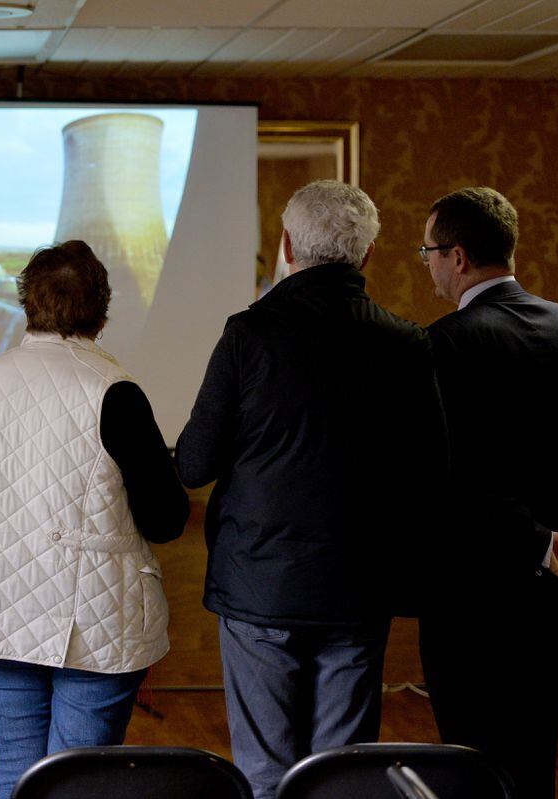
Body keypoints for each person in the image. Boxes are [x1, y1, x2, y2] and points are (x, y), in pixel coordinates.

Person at [175, 180, 449, 799]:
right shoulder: (407, 342)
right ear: (369, 253)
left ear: (287, 245)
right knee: (340, 775)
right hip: (358, 588)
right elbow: (432, 473)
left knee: (266, 772)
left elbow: (193, 464)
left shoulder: (248, 334)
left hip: (259, 587)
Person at [0, 240, 189, 799]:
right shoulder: (114, 390)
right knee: (79, 788)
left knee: (14, 783)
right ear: (102, 309)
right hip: (97, 618)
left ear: (28, 304)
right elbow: (166, 518)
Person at [417, 186, 558, 799]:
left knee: (472, 764)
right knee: (536, 757)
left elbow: (456, 476)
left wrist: (539, 544)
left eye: (428, 251)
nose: (426, 263)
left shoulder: (447, 343)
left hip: (472, 596)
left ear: (457, 257)